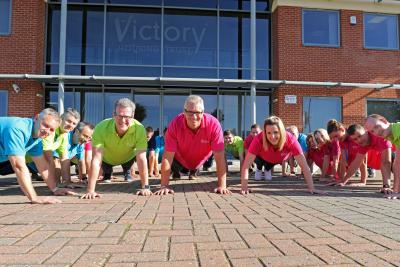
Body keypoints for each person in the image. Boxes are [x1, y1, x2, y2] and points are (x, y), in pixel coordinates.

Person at [154, 95, 231, 195]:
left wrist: (222, 186)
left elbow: (220, 157)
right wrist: (164, 186)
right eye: (190, 112)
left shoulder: (213, 124)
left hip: (200, 160)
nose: (194, 117)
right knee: (174, 163)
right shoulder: (175, 124)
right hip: (180, 159)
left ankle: (193, 171)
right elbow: (168, 157)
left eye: (198, 112)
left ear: (203, 112)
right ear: (184, 111)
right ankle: (177, 172)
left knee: (218, 153)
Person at [0, 108, 75, 204]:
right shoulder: (18, 129)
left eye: (52, 129)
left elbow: (43, 166)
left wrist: (55, 189)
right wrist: (34, 198)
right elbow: (19, 167)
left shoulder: (37, 139)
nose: (47, 131)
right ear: (36, 118)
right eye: (45, 125)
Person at [81, 98, 151, 199]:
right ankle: (107, 174)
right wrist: (90, 190)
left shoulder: (139, 129)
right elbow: (96, 159)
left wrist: (146, 187)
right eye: (119, 116)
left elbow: (141, 158)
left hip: (127, 158)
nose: (123, 120)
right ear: (114, 114)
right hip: (107, 159)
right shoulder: (101, 128)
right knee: (106, 175)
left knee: (129, 175)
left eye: (127, 116)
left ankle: (127, 173)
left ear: (133, 115)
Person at [240, 116, 324, 195]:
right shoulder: (258, 139)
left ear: (281, 131)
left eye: (276, 132)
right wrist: (244, 187)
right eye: (268, 133)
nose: (272, 136)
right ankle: (261, 169)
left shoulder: (290, 139)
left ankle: (267, 169)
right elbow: (246, 166)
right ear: (264, 132)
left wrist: (311, 188)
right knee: (259, 163)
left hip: (281, 158)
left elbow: (304, 166)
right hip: (263, 158)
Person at [343, 124, 392, 193]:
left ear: (366, 131)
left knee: (393, 162)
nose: (359, 140)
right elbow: (356, 163)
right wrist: (343, 182)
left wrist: (386, 186)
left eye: (360, 136)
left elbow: (386, 162)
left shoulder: (378, 136)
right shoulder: (363, 144)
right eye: (355, 139)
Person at [42, 108, 80, 186]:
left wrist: (67, 182)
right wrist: (56, 185)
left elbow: (64, 159)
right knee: (54, 159)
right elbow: (49, 159)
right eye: (68, 121)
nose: (70, 125)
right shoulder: (50, 130)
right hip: (15, 160)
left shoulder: (64, 135)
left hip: (33, 162)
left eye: (74, 123)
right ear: (61, 119)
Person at [365, 114, 400, 197]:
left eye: (377, 127)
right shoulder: (395, 135)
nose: (376, 132)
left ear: (384, 121)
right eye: (372, 131)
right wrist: (395, 191)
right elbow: (397, 164)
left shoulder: (398, 129)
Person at [327, 119, 367, 186]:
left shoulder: (354, 136)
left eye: (336, 136)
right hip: (355, 153)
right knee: (342, 161)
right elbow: (343, 161)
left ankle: (363, 180)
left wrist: (362, 182)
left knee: (361, 161)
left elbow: (363, 161)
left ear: (342, 129)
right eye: (333, 138)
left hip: (376, 155)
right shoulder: (341, 140)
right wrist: (341, 181)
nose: (336, 139)